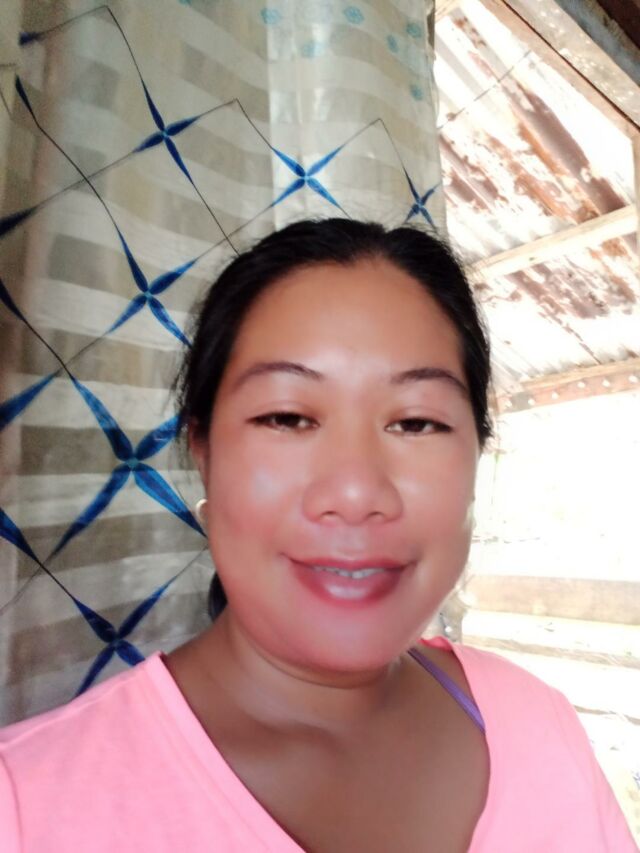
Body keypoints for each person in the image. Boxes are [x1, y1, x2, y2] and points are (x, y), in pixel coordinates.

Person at [0, 219, 635, 852]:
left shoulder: (539, 723)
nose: (356, 493)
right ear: (204, 451)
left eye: (416, 423)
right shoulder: (23, 807)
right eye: (287, 417)